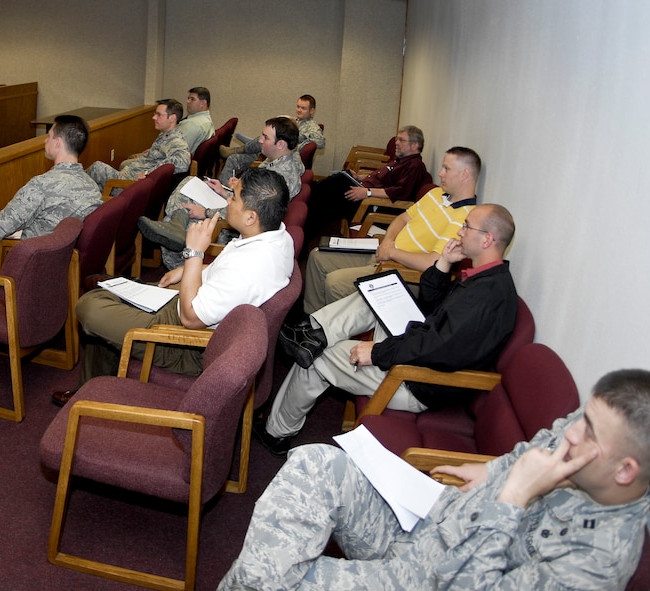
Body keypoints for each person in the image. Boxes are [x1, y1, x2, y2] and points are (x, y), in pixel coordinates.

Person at [219, 369, 650, 590]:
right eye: (582, 418)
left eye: (588, 431)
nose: (570, 432)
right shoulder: (587, 436)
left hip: (428, 579)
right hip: (431, 519)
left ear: (625, 470)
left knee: (280, 578)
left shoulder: (596, 563)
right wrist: (496, 469)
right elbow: (531, 448)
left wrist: (514, 496)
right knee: (316, 463)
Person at [258, 203, 518, 455]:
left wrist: (378, 352)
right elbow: (432, 305)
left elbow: (438, 348)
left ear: (487, 240)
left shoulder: (487, 297)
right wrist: (444, 264)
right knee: (373, 295)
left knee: (320, 355)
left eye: (466, 227)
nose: (460, 232)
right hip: (419, 347)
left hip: (417, 379)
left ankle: (277, 433)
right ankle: (312, 334)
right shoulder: (482, 278)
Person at [51, 167, 294, 407]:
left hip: (185, 342)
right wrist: (189, 270)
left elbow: (189, 318)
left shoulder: (248, 267)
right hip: (195, 305)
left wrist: (194, 254)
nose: (228, 200)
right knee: (107, 298)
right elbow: (225, 274)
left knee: (88, 306)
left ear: (251, 217)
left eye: (234, 196)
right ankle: (94, 387)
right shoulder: (278, 237)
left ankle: (100, 385)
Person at [303, 146, 480, 314]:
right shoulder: (435, 194)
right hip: (385, 252)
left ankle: (324, 335)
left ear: (465, 174)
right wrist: (388, 242)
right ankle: (312, 321)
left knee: (335, 283)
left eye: (446, 169)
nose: (440, 173)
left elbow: (433, 264)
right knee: (317, 257)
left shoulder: (465, 219)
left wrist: (392, 253)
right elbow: (403, 218)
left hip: (404, 272)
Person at [137, 116, 305, 270]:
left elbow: (254, 215)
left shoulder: (281, 176)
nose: (260, 140)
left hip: (235, 227)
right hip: (237, 210)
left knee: (185, 230)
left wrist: (206, 213)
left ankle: (186, 269)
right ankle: (177, 223)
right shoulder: (275, 163)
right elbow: (251, 201)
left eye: (265, 137)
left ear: (281, 144)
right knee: (191, 182)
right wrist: (225, 192)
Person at [0, 115, 101, 273]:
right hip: (68, 262)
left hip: (37, 264)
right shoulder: (91, 185)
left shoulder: (41, 185)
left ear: (58, 142)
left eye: (49, 136)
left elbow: (0, 228)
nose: (45, 141)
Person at [303, 125, 431, 241]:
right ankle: (307, 213)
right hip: (365, 193)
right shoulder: (401, 160)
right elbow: (383, 178)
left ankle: (305, 227)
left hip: (371, 204)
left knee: (330, 191)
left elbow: (399, 192)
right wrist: (359, 177)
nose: (396, 143)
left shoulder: (415, 166)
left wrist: (367, 193)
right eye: (397, 139)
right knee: (337, 182)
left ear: (414, 145)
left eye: (401, 140)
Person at [86, 99, 191, 190]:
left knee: (97, 168)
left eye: (159, 115)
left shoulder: (176, 140)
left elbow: (183, 163)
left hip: (134, 187)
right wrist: (126, 170)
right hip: (129, 177)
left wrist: (148, 173)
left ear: (172, 118)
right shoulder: (165, 135)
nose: (154, 117)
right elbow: (147, 160)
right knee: (94, 184)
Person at [219, 94, 325, 181]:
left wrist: (297, 138)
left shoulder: (312, 127)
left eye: (303, 108)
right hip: (272, 153)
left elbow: (320, 142)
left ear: (312, 111)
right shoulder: (296, 121)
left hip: (278, 154)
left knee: (257, 144)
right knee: (234, 158)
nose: (299, 110)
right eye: (298, 107)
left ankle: (238, 149)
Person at [179, 86, 214, 153]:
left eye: (192, 99)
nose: (187, 101)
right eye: (188, 98)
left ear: (202, 103)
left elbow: (176, 151)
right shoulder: (206, 120)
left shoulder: (192, 124)